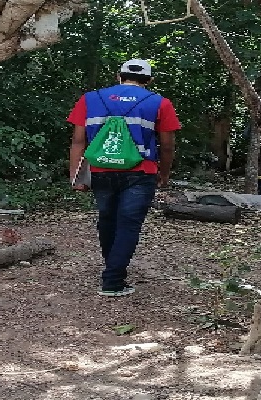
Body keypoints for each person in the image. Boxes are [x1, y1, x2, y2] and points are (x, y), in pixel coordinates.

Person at [67, 59, 180, 297]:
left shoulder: (90, 99)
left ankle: (113, 268)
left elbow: (78, 141)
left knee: (107, 219)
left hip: (100, 169)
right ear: (149, 80)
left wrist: (76, 176)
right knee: (128, 223)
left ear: (119, 76)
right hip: (141, 172)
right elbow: (167, 146)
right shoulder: (159, 102)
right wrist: (165, 173)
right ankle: (113, 279)